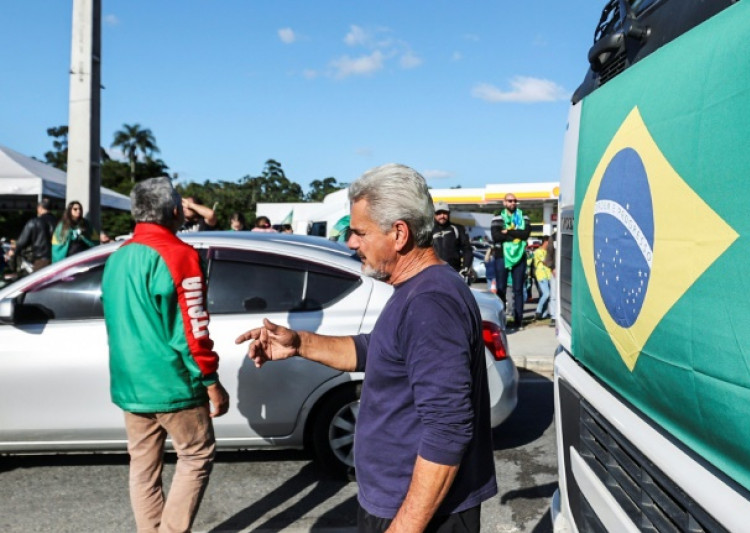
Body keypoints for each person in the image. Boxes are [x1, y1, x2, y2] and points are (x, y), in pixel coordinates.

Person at [236, 163, 496, 532]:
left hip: (425, 514)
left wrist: (404, 527)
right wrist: (299, 343)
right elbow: (378, 350)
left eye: (359, 232)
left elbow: (448, 429)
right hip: (397, 501)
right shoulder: (416, 290)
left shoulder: (430, 302)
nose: (351, 243)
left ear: (399, 233)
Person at [102, 177, 230, 533]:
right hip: (173, 383)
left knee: (143, 468)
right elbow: (193, 329)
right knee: (196, 455)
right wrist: (210, 380)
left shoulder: (117, 258)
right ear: (175, 210)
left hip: (131, 385)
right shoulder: (179, 254)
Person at [490, 194, 532, 330]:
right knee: (500, 289)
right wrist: (516, 233)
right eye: (510, 201)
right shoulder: (497, 217)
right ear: (504, 202)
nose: (512, 203)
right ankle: (500, 320)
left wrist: (507, 231)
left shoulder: (524, 217)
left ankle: (518, 321)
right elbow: (496, 237)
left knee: (518, 289)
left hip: (520, 256)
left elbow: (525, 234)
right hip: (501, 256)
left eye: (514, 201)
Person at [7, 197, 57, 272]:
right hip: (57, 260)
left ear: (39, 208)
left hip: (41, 261)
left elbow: (21, 242)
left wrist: (13, 257)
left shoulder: (34, 222)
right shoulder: (59, 222)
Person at [431, 202, 474, 280]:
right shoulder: (428, 231)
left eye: (445, 213)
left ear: (449, 213)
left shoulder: (457, 229)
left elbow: (467, 249)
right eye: (439, 213)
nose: (442, 216)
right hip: (432, 274)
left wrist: (465, 268)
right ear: (434, 215)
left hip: (453, 273)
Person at [533, 236, 553, 320]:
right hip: (541, 275)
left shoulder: (548, 252)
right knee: (546, 294)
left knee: (548, 296)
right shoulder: (538, 251)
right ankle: (538, 311)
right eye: (549, 242)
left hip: (549, 275)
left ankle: (544, 314)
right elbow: (546, 261)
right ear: (545, 242)